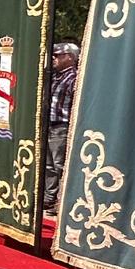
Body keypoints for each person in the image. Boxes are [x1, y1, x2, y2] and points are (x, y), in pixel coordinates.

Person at [44, 41, 79, 215]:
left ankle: (62, 201)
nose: (54, 58)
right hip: (49, 125)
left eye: (59, 55)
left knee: (59, 165)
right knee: (49, 165)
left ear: (70, 57)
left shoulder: (74, 78)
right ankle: (49, 199)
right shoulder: (54, 76)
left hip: (61, 127)